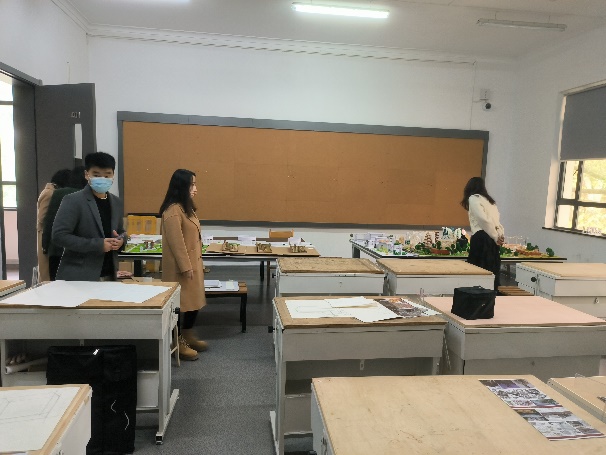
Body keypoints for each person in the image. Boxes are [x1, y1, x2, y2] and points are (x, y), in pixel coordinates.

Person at [52, 152, 126, 281]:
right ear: (87, 174)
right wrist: (98, 245)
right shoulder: (73, 200)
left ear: (113, 175)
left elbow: (120, 231)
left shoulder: (116, 202)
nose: (102, 179)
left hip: (110, 274)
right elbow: (59, 236)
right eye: (96, 175)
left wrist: (121, 240)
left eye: (107, 175)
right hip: (79, 276)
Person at [159, 169, 207, 361]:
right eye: (192, 184)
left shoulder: (186, 208)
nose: (195, 188)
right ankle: (176, 341)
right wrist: (186, 267)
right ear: (182, 186)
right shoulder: (173, 211)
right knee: (179, 306)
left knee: (194, 303)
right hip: (181, 269)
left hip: (193, 265)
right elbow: (176, 244)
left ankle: (188, 335)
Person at [42, 166, 88, 280]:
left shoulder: (58, 193)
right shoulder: (86, 195)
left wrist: (45, 245)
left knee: (56, 283)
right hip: (79, 251)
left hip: (56, 248)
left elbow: (49, 220)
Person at [461, 177, 504, 291]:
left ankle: (476, 297)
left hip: (481, 237)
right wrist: (499, 235)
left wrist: (495, 236)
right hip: (492, 239)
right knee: (491, 270)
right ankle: (491, 296)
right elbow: (497, 222)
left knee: (478, 271)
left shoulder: (474, 198)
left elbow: (483, 220)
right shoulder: (490, 201)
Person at [36, 169, 71, 282]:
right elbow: (42, 217)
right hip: (46, 234)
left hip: (47, 233)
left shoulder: (50, 191)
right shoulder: (49, 193)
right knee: (46, 272)